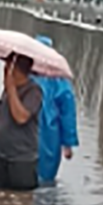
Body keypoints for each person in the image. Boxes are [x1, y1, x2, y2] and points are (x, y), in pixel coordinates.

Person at [0, 52, 43, 192]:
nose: (4, 71)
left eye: (8, 67)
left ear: (15, 70)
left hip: (21, 160)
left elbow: (21, 117)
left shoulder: (34, 91)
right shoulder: (7, 90)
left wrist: (11, 87)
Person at [31, 35, 79, 185]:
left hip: (26, 131)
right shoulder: (59, 79)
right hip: (50, 134)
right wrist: (68, 143)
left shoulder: (23, 75)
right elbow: (67, 113)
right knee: (46, 177)